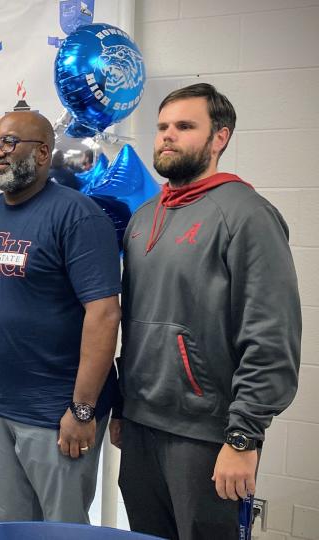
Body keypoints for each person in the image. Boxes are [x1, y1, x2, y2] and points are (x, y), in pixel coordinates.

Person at [115, 83, 301, 540]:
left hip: (207, 435)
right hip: (140, 427)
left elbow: (271, 334)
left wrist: (243, 437)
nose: (168, 136)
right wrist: (121, 408)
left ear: (220, 138)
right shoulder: (142, 218)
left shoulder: (247, 214)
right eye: (162, 127)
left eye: (184, 126)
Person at [0, 111, 121, 523]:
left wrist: (83, 409)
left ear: (41, 152)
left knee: (62, 530)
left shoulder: (79, 216)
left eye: (9, 143)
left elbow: (105, 314)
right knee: (10, 525)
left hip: (58, 415)